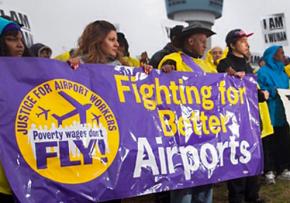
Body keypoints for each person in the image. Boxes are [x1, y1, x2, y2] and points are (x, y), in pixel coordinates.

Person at [158, 22, 216, 203]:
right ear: (190, 41)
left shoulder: (208, 65)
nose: (205, 45)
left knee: (206, 180)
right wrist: (166, 71)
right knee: (184, 186)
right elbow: (161, 84)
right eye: (202, 41)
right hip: (183, 135)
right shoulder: (174, 59)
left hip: (207, 133)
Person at [217, 29, 269, 203]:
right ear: (232, 45)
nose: (247, 44)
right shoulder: (225, 63)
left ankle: (252, 196)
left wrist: (261, 94)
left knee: (253, 159)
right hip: (235, 123)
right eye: (242, 41)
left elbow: (251, 91)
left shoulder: (247, 65)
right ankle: (237, 198)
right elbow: (224, 70)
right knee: (237, 161)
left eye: (247, 41)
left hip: (252, 121)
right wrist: (232, 74)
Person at [0, 16, 31, 203]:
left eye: (21, 39)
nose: (20, 45)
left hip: (24, 172)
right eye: (12, 39)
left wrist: (71, 69)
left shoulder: (31, 74)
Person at [257, 45, 290, 185]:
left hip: (282, 113)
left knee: (283, 140)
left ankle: (283, 168)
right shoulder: (262, 72)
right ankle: (269, 170)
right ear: (272, 56)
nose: (283, 55)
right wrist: (272, 90)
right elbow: (259, 89)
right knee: (269, 142)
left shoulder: (283, 73)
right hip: (269, 111)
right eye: (280, 53)